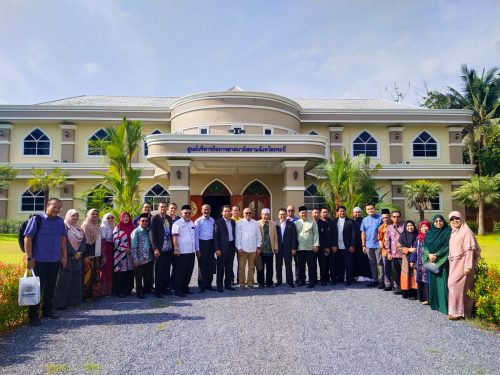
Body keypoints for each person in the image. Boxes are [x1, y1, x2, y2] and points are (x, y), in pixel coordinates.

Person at [25, 198, 67, 326]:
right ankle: (33, 316)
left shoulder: (60, 222)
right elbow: (28, 238)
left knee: (51, 287)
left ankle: (47, 311)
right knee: (37, 288)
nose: (57, 209)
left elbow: (63, 239)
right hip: (39, 261)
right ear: (47, 206)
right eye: (54, 206)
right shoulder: (37, 220)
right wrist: (29, 258)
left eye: (59, 207)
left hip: (54, 260)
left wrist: (64, 256)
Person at [447, 211, 481, 320]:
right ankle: (457, 312)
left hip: (463, 264)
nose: (454, 221)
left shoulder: (466, 232)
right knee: (457, 286)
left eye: (457, 218)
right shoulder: (454, 232)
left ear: (461, 219)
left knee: (455, 285)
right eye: (452, 219)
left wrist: (468, 266)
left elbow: (470, 250)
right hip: (454, 263)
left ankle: (460, 312)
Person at [54, 209, 85, 310]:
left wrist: (79, 252)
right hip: (66, 257)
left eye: (77, 215)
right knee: (63, 280)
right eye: (73, 215)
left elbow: (83, 242)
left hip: (77, 258)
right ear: (68, 216)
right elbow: (64, 242)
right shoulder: (64, 227)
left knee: (76, 280)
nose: (75, 217)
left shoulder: (79, 229)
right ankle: (60, 303)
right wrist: (73, 253)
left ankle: (74, 301)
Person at [423, 214, 451, 315]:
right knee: (433, 283)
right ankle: (435, 304)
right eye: (436, 221)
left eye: (440, 221)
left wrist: (437, 255)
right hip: (431, 261)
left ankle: (444, 306)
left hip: (442, 262)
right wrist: (428, 254)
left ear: (444, 221)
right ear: (433, 223)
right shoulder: (430, 233)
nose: (438, 223)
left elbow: (448, 246)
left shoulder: (448, 232)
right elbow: (425, 246)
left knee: (442, 283)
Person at [172, 205, 196, 297]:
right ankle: (178, 290)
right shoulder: (177, 223)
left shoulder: (191, 223)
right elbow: (174, 237)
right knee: (180, 271)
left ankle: (185, 287)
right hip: (181, 252)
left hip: (191, 251)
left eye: (189, 213)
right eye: (185, 213)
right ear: (181, 213)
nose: (187, 214)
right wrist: (176, 248)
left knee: (189, 271)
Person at [151, 202, 174, 298]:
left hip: (168, 248)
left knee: (166, 269)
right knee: (159, 270)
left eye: (165, 207)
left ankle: (165, 289)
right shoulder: (154, 218)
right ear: (158, 208)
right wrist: (155, 248)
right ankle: (158, 291)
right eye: (161, 207)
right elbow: (152, 235)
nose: (163, 208)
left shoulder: (169, 218)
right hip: (159, 249)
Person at [235, 208, 262, 289]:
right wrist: (239, 248)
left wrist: (258, 247)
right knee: (241, 267)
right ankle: (242, 283)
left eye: (250, 213)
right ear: (243, 214)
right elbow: (237, 237)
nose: (248, 214)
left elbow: (258, 236)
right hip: (243, 249)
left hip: (253, 248)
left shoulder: (255, 223)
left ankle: (250, 283)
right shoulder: (239, 223)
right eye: (246, 213)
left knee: (251, 267)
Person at [295, 206, 319, 288]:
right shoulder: (296, 223)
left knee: (311, 266)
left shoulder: (312, 222)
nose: (304, 214)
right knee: (301, 266)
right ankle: (302, 281)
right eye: (302, 213)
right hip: (300, 248)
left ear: (307, 213)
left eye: (305, 212)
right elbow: (294, 236)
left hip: (310, 248)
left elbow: (316, 234)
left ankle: (312, 281)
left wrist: (316, 244)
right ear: (299, 214)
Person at [82, 209, 103, 301]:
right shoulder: (86, 225)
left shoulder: (96, 226)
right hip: (89, 254)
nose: (95, 215)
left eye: (96, 214)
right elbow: (84, 242)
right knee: (87, 276)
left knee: (94, 275)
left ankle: (93, 295)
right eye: (92, 214)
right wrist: (86, 256)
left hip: (96, 254)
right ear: (88, 215)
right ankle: (85, 296)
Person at [213, 205, 236, 292]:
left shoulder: (233, 222)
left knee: (229, 267)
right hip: (221, 248)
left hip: (231, 246)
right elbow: (215, 237)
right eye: (225, 211)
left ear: (231, 212)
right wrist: (217, 249)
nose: (227, 212)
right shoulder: (218, 222)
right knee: (220, 267)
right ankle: (219, 285)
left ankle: (228, 284)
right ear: (222, 212)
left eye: (228, 211)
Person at [131, 213, 154, 299]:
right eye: (143, 221)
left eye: (146, 221)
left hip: (148, 258)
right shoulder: (136, 232)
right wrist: (135, 259)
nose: (144, 222)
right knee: (138, 277)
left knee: (147, 275)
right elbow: (133, 247)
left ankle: (146, 289)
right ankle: (139, 292)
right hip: (139, 259)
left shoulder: (148, 230)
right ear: (138, 222)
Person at [332, 206, 356, 286]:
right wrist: (334, 245)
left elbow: (353, 235)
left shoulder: (350, 221)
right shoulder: (334, 221)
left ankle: (349, 279)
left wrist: (352, 245)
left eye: (343, 211)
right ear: (337, 212)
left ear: (345, 212)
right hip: (337, 247)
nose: (342, 212)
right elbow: (333, 235)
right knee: (339, 264)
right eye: (340, 211)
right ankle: (340, 278)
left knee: (348, 264)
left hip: (347, 246)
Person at [113, 212, 134, 298]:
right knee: (121, 272)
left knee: (130, 271)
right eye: (124, 217)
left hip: (131, 253)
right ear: (121, 218)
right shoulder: (117, 228)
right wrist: (125, 249)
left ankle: (128, 289)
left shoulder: (133, 227)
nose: (126, 218)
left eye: (127, 217)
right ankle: (121, 291)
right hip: (120, 253)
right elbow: (115, 240)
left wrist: (132, 250)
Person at [194, 204, 215, 292]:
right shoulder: (198, 221)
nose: (206, 211)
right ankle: (201, 286)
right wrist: (197, 249)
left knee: (210, 265)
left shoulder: (212, 220)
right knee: (202, 266)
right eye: (205, 210)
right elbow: (196, 236)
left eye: (208, 210)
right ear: (202, 210)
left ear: (210, 210)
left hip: (210, 244)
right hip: (202, 244)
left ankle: (209, 284)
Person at [361, 203, 382, 287]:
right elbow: (363, 233)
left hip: (378, 244)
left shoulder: (380, 218)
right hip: (368, 245)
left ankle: (381, 281)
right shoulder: (364, 220)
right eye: (368, 209)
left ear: (375, 209)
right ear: (366, 211)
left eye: (372, 208)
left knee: (380, 263)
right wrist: (363, 245)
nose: (370, 210)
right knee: (372, 263)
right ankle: (375, 280)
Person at [276, 208, 298, 288]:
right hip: (278, 249)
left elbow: (294, 237)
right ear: (278, 216)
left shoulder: (291, 224)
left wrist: (293, 248)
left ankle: (290, 281)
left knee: (288, 266)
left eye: (284, 214)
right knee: (278, 266)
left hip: (288, 249)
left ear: (286, 215)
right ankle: (279, 281)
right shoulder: (276, 224)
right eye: (281, 214)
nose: (282, 216)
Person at [257, 208, 278, 288]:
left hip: (269, 250)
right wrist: (257, 247)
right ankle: (260, 283)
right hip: (261, 250)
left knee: (270, 268)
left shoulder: (272, 223)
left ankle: (269, 282)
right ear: (261, 215)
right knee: (260, 268)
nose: (266, 216)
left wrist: (276, 247)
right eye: (264, 214)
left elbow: (275, 236)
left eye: (267, 215)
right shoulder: (257, 223)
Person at [411, 220, 430, 304]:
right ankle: (422, 297)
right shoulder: (418, 238)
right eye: (422, 227)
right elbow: (415, 250)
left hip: (429, 262)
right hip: (420, 263)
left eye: (426, 226)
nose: (424, 228)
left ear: (429, 227)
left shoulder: (431, 237)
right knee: (421, 279)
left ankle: (428, 298)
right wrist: (412, 260)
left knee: (428, 279)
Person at [385, 210, 404, 294]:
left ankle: (405, 288)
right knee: (395, 272)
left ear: (400, 217)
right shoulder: (389, 227)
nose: (396, 218)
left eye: (398, 216)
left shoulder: (404, 226)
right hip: (394, 254)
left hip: (404, 254)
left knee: (404, 272)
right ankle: (397, 287)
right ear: (391, 218)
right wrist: (388, 253)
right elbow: (387, 241)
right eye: (394, 217)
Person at [398, 220, 418, 299]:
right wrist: (408, 249)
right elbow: (399, 248)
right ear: (405, 227)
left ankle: (415, 294)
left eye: (411, 225)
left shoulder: (418, 235)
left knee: (415, 275)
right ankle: (406, 293)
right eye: (408, 226)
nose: (410, 227)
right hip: (406, 258)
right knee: (406, 276)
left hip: (416, 258)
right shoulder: (403, 235)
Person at [317, 207, 334, 286]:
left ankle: (332, 279)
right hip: (321, 248)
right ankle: (324, 279)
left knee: (331, 264)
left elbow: (334, 235)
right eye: (323, 212)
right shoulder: (318, 223)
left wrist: (332, 246)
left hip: (331, 248)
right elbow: (318, 237)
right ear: (320, 213)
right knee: (323, 265)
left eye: (326, 212)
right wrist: (324, 247)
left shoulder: (332, 222)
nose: (325, 213)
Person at [352, 207, 370, 280]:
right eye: (356, 212)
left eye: (359, 212)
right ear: (353, 213)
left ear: (361, 213)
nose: (357, 214)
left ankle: (366, 276)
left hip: (364, 243)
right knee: (354, 261)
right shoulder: (351, 221)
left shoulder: (365, 221)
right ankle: (355, 276)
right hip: (354, 245)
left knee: (365, 260)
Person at [99, 213, 114, 296]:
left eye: (112, 217)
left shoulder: (112, 227)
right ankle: (102, 291)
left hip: (111, 249)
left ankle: (109, 290)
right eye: (108, 218)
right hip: (105, 249)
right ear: (105, 219)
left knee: (109, 269)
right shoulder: (103, 227)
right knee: (104, 270)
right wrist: (103, 254)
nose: (111, 219)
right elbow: (102, 242)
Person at [377, 209, 392, 290]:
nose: (385, 219)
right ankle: (387, 284)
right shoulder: (381, 227)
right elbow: (379, 238)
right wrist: (379, 242)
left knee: (394, 268)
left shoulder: (394, 225)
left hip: (394, 250)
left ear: (390, 217)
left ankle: (396, 284)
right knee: (386, 267)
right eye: (383, 218)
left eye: (387, 217)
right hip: (384, 250)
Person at [230, 205, 242, 285]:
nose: (236, 212)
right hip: (231, 244)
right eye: (234, 210)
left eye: (237, 210)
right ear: (231, 211)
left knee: (240, 262)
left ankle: (239, 279)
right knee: (230, 262)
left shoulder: (242, 221)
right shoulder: (229, 220)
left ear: (239, 212)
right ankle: (231, 279)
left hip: (240, 244)